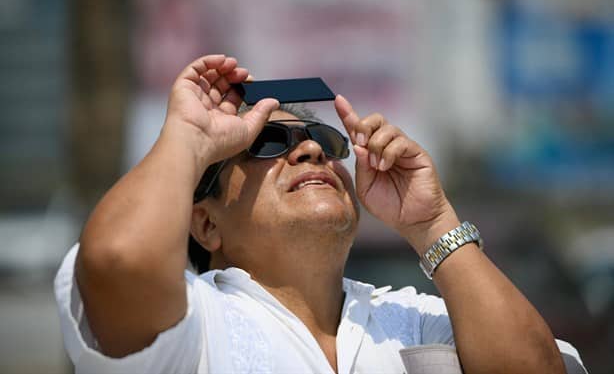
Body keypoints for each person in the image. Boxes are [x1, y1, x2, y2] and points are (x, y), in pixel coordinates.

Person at [55, 54, 586, 373]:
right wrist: (191, 138)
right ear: (206, 222)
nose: (311, 151)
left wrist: (433, 224)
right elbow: (120, 260)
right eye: (265, 143)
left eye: (323, 139)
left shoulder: (412, 318)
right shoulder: (195, 324)